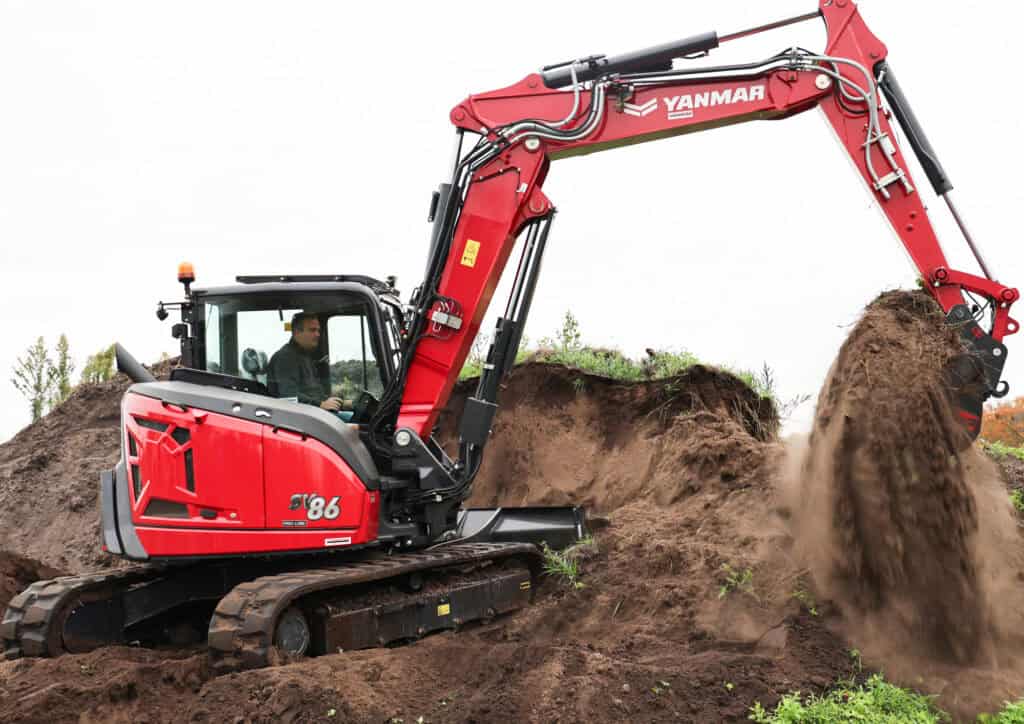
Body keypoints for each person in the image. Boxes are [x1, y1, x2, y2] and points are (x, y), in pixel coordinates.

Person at [268, 312, 353, 415]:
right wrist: (320, 404)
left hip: (314, 414)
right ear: (297, 332)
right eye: (312, 330)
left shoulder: (305, 356)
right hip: (300, 419)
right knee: (358, 428)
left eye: (318, 330)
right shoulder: (285, 358)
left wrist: (339, 404)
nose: (317, 334)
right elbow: (288, 397)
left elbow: (314, 392)